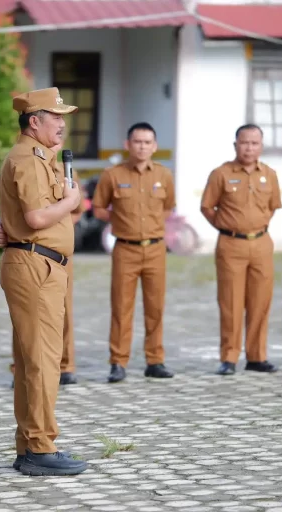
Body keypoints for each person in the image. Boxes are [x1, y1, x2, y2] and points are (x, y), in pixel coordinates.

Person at [0, 87, 87, 476]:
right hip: (36, 266)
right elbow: (35, 218)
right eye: (56, 116)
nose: (63, 124)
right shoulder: (29, 160)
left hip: (43, 265)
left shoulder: (43, 159)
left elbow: (18, 214)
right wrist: (71, 202)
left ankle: (30, 444)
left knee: (34, 359)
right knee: (42, 361)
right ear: (34, 121)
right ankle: (39, 447)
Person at [92, 122, 176, 383]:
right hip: (125, 249)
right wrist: (120, 222)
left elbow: (168, 207)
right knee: (121, 307)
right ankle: (118, 362)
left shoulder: (164, 175)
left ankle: (155, 360)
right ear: (128, 145)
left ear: (155, 146)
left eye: (147, 142)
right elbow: (98, 208)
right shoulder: (113, 175)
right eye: (137, 142)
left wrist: (150, 225)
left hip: (155, 249)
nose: (142, 146)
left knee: (155, 307)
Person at [200, 124, 282, 376]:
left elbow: (272, 207)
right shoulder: (221, 174)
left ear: (261, 146)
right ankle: (229, 357)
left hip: (261, 244)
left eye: (254, 143)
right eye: (244, 143)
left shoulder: (269, 174)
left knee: (260, 301)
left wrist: (255, 226)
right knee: (231, 303)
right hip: (230, 245)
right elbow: (207, 207)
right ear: (235, 145)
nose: (249, 147)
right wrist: (226, 227)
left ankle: (257, 357)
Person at [0, 156, 85, 387]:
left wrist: (58, 221)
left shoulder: (67, 172)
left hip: (58, 252)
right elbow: (12, 207)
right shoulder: (24, 165)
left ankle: (65, 365)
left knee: (62, 310)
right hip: (30, 250)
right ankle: (21, 367)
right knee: (24, 315)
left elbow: (77, 208)